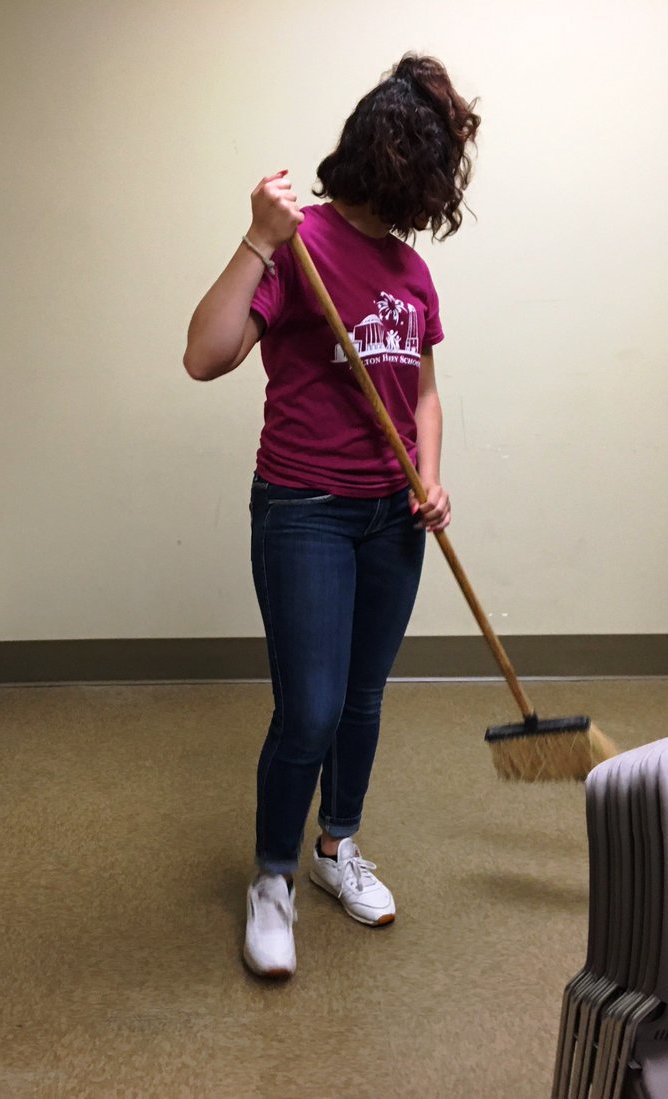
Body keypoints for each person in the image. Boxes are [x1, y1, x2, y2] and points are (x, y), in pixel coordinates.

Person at [182, 54, 480, 978]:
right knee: (309, 707)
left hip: (392, 517)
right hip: (305, 509)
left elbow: (423, 393)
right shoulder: (299, 244)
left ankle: (333, 846)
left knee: (361, 699)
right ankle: (271, 876)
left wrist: (430, 476)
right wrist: (256, 239)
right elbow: (204, 356)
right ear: (398, 165)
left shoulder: (411, 272)